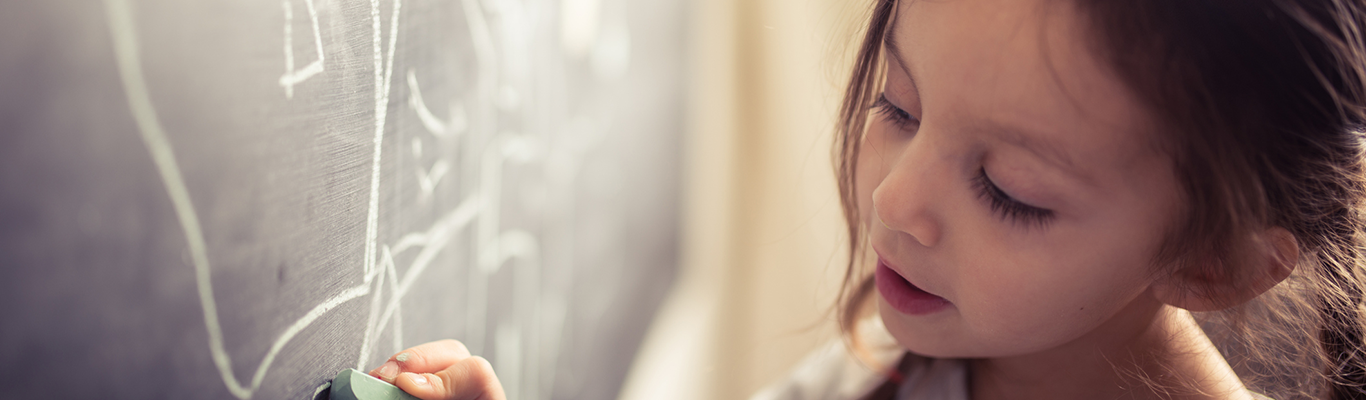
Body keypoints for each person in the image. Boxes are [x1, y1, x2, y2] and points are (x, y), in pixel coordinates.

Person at [369, 0, 1366, 398]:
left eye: (1008, 191)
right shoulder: (911, 365)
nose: (896, 199)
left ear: (1216, 261)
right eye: (895, 103)